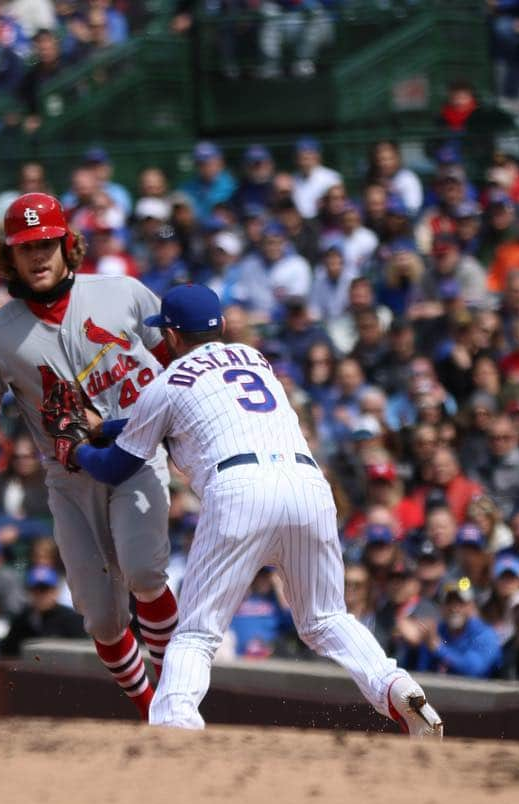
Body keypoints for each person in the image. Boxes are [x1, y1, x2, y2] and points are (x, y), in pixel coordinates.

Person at [44, 283, 442, 734]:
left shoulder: (167, 383)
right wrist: (104, 427)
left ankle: (174, 726)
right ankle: (394, 685)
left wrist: (77, 450)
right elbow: (190, 410)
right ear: (221, 327)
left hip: (239, 489)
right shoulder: (256, 360)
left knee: (195, 633)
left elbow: (117, 467)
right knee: (326, 618)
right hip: (307, 484)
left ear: (171, 335)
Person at [0, 193, 179, 721]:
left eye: (47, 243)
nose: (38, 256)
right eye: (25, 247)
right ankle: (151, 710)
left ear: (67, 244)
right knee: (102, 620)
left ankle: (176, 700)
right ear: (7, 257)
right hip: (70, 477)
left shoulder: (120, 292)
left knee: (145, 574)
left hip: (136, 456)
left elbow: (177, 360)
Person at [0, 565, 86, 656]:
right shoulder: (21, 619)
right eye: (35, 589)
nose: (40, 595)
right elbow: (6, 651)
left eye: (44, 589)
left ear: (55, 591)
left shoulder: (72, 618)